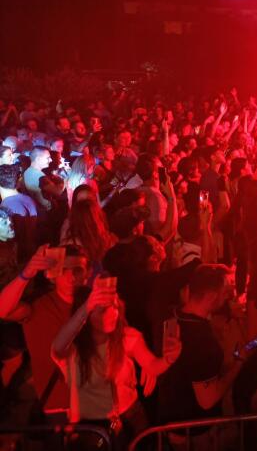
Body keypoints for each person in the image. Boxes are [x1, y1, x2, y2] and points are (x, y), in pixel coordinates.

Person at [51, 280, 181, 445]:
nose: (112, 313)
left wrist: (168, 359)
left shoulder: (127, 337)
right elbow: (57, 347)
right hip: (90, 426)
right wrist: (87, 306)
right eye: (103, 310)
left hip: (130, 417)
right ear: (87, 316)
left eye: (114, 307)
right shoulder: (74, 348)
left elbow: (153, 367)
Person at [157, 264, 248, 448]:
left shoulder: (170, 319)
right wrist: (238, 364)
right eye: (224, 294)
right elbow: (207, 400)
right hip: (195, 430)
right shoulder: (203, 342)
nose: (227, 298)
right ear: (212, 296)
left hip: (171, 424)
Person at [0, 245, 90, 419]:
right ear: (53, 274)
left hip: (94, 402)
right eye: (64, 270)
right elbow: (2, 310)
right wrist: (26, 274)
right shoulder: (39, 307)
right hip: (57, 407)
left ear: (87, 273)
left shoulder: (95, 303)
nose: (71, 277)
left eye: (77, 270)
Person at [23, 146, 52, 212]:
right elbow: (57, 191)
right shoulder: (38, 175)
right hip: (43, 212)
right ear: (38, 159)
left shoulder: (28, 171)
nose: (51, 160)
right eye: (48, 158)